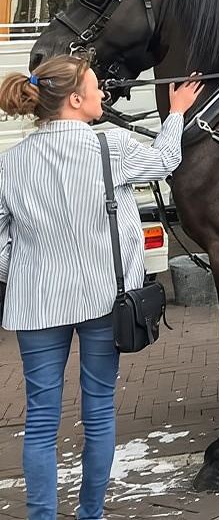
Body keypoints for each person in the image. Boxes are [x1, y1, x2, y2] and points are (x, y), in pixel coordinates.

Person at [0, 55, 201, 520]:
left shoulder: (11, 164)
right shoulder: (113, 147)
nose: (101, 95)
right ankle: (90, 513)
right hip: (101, 301)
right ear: (75, 99)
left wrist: (25, 272)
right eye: (95, 88)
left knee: (41, 422)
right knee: (98, 414)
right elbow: (167, 160)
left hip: (36, 306)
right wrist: (176, 113)